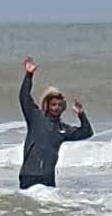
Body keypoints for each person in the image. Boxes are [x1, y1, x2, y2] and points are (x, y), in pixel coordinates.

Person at [18, 59, 92, 189]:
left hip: (48, 179)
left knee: (48, 204)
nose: (56, 107)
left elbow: (87, 132)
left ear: (63, 107)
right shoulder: (35, 117)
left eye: (59, 105)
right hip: (29, 175)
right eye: (53, 104)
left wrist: (81, 114)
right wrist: (29, 75)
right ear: (47, 105)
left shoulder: (63, 129)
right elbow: (24, 97)